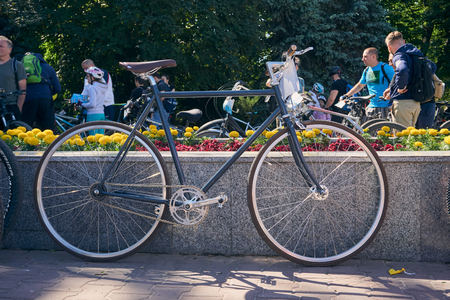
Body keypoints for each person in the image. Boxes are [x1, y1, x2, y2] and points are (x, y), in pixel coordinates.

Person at [383, 31, 436, 128]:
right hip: (416, 103)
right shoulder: (417, 55)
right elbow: (432, 67)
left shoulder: (399, 55)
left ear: (389, 47)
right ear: (403, 41)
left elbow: (402, 69)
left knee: (401, 137)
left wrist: (400, 86)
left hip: (403, 103)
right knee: (410, 138)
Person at [342, 47, 394, 120]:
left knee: (384, 130)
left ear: (373, 56)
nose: (362, 59)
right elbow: (360, 85)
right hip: (370, 107)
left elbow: (396, 83)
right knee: (367, 130)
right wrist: (347, 95)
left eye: (365, 57)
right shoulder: (366, 70)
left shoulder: (385, 68)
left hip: (385, 107)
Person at [22, 53, 61, 130]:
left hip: (28, 99)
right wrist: (49, 93)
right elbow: (58, 88)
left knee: (26, 127)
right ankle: (49, 142)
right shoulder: (48, 67)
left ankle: (25, 141)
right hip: (45, 99)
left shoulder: (23, 67)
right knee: (48, 128)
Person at [0, 36, 27, 119]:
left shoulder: (16, 65)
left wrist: (18, 108)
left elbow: (23, 90)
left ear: (10, 49)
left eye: (1, 46)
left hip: (11, 106)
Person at [81, 67, 107, 133]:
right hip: (101, 114)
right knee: (100, 138)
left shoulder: (92, 88)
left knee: (93, 139)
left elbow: (92, 104)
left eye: (88, 76)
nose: (87, 79)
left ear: (92, 77)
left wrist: (82, 104)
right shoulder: (103, 86)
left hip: (93, 114)